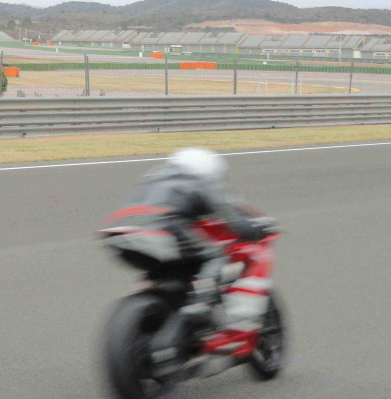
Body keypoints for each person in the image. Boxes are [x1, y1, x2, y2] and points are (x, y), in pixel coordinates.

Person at [110, 148, 274, 368]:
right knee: (214, 255)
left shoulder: (154, 177)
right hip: (164, 227)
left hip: (119, 232)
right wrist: (255, 231)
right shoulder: (201, 179)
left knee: (169, 273)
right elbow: (233, 218)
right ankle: (199, 304)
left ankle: (154, 304)